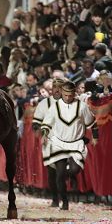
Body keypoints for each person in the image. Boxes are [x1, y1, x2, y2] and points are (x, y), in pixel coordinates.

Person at [36, 80, 95, 210]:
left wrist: (95, 137)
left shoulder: (82, 106)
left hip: (76, 143)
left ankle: (70, 176)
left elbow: (91, 122)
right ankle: (64, 201)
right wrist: (45, 135)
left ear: (74, 93)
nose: (68, 98)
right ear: (62, 93)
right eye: (66, 95)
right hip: (58, 143)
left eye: (70, 95)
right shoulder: (55, 107)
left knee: (75, 170)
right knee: (59, 175)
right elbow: (46, 123)